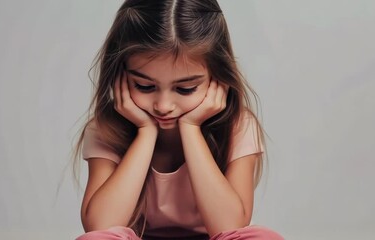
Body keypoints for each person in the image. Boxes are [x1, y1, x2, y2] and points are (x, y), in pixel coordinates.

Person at [72, 0, 284, 239]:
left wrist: (191, 128)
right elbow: (100, 225)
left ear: (219, 79)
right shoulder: (106, 128)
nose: (163, 106)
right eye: (144, 86)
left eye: (185, 89)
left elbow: (231, 226)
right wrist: (145, 133)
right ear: (120, 77)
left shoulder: (239, 126)